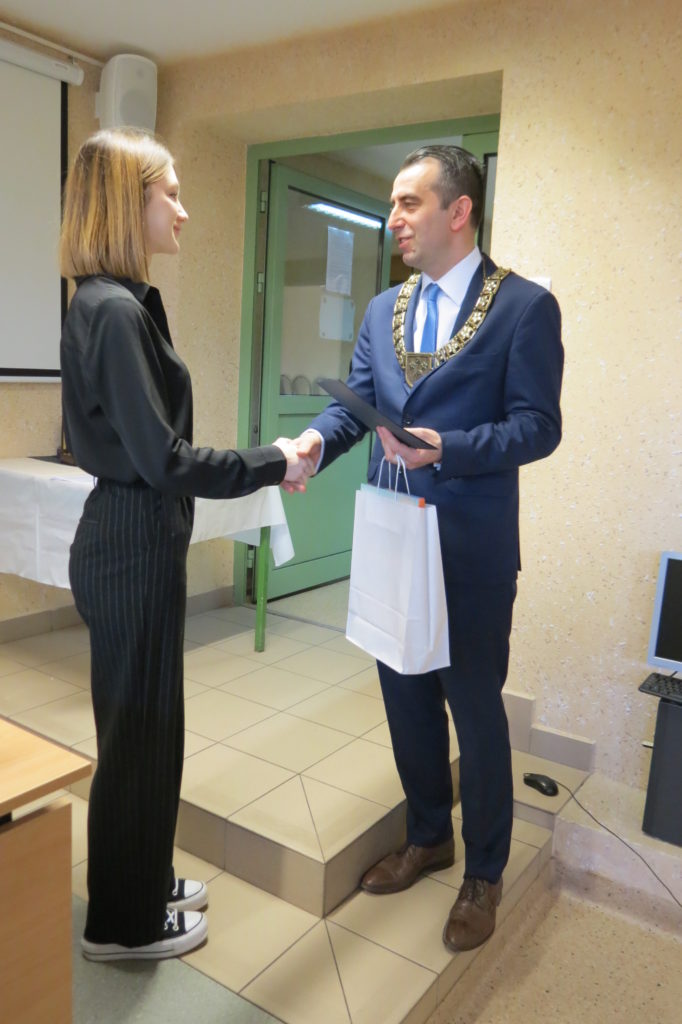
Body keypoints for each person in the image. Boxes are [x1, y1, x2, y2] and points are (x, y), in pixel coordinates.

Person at [287, 145, 564, 952]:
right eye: (393, 204)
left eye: (409, 203)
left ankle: (485, 872)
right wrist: (312, 443)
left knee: (475, 710)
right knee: (404, 698)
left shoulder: (524, 308)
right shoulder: (383, 309)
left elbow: (538, 427)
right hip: (392, 535)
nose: (394, 219)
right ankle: (427, 835)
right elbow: (356, 406)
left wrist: (452, 448)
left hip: (471, 546)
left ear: (459, 210)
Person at [59, 128, 310, 962]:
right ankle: (121, 925)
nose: (183, 210)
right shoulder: (111, 310)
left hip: (134, 536)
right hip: (130, 541)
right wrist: (274, 460)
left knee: (149, 730)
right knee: (137, 740)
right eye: (170, 193)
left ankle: (141, 877)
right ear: (125, 202)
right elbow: (164, 459)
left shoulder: (115, 302)